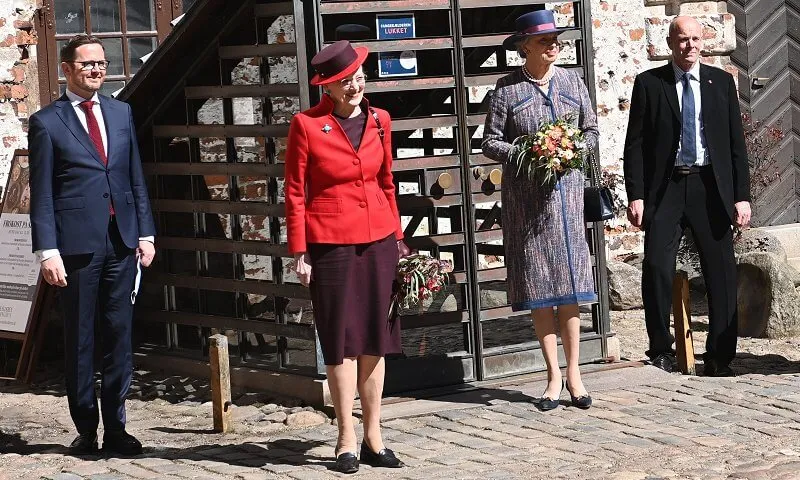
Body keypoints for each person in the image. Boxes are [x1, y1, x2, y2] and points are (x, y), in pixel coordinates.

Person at [284, 40, 409, 474]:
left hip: (378, 242)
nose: (354, 86)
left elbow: (388, 182)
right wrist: (299, 251)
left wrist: (398, 239)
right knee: (340, 341)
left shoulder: (380, 121)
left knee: (377, 337)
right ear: (328, 88)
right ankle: (345, 438)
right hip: (330, 245)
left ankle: (375, 434)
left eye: (357, 77)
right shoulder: (305, 125)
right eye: (344, 81)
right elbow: (295, 192)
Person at [28, 34, 156, 455]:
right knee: (81, 340)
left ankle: (117, 427)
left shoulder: (121, 113)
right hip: (77, 247)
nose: (96, 70)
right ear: (67, 68)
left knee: (119, 335)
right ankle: (86, 427)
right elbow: (42, 192)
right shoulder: (48, 122)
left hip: (121, 243)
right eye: (87, 64)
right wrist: (48, 251)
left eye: (101, 63)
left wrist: (145, 232)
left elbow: (134, 176)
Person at [482, 10, 598, 411]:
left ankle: (575, 376)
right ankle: (551, 377)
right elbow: (490, 142)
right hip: (528, 207)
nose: (553, 46)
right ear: (524, 47)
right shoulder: (506, 91)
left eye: (556, 39)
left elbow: (592, 130)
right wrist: (528, 154)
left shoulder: (571, 81)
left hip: (566, 201)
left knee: (570, 290)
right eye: (544, 40)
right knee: (540, 291)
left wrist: (572, 150)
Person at [623, 16, 749, 376]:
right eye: (682, 39)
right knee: (657, 268)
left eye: (695, 39)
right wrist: (637, 195)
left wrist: (742, 196)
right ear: (670, 42)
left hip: (710, 187)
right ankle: (661, 349)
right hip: (667, 189)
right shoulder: (650, 84)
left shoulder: (721, 83)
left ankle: (719, 357)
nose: (690, 45)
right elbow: (635, 145)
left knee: (721, 271)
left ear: (702, 41)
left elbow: (736, 146)